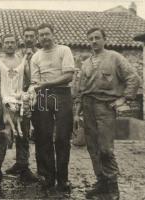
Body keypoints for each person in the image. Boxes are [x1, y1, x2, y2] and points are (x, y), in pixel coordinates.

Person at [74, 27, 140, 199]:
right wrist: (77, 111)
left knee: (105, 149)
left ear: (105, 39)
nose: (94, 41)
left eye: (97, 37)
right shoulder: (87, 63)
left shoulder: (115, 57)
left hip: (105, 107)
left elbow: (133, 78)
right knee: (92, 147)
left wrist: (124, 99)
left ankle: (112, 188)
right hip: (88, 107)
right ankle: (101, 182)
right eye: (91, 38)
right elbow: (81, 89)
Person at [28, 23, 75, 192]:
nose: (44, 37)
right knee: (43, 136)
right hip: (42, 96)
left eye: (47, 34)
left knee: (62, 138)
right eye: (41, 35)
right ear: (38, 38)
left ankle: (63, 179)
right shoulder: (36, 57)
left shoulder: (64, 50)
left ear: (53, 34)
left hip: (62, 94)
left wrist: (47, 83)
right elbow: (35, 81)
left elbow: (68, 76)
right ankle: (48, 177)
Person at [0, 34, 37, 184]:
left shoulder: (23, 60)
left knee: (23, 135)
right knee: (1, 135)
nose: (9, 45)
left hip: (19, 101)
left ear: (17, 44)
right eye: (6, 43)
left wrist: (24, 95)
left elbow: (30, 79)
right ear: (2, 44)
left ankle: (23, 168)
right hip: (2, 103)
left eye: (12, 42)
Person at [4, 27, 38, 183]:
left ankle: (24, 167)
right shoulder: (10, 58)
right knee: (11, 133)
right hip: (9, 101)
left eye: (32, 36)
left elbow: (31, 79)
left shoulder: (30, 57)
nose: (29, 39)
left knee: (24, 132)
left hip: (25, 99)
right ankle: (18, 163)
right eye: (26, 36)